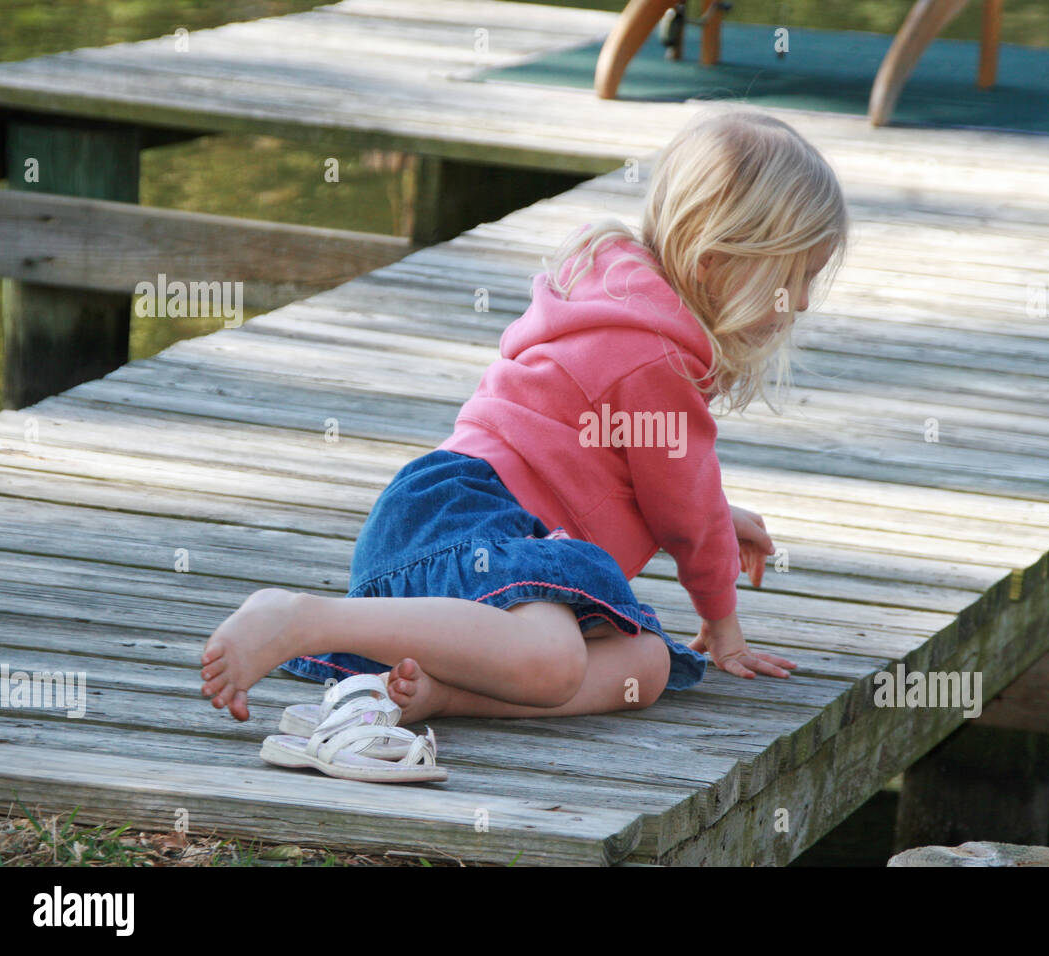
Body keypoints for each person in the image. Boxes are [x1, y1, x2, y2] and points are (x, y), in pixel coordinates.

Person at [200, 104, 849, 725]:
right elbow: (682, 510)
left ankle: (446, 695)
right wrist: (723, 622)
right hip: (468, 519)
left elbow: (643, 476)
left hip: (482, 543)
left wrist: (718, 516)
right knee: (553, 658)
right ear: (717, 264)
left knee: (646, 665)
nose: (806, 302)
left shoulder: (628, 313)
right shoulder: (654, 359)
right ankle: (304, 621)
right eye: (799, 278)